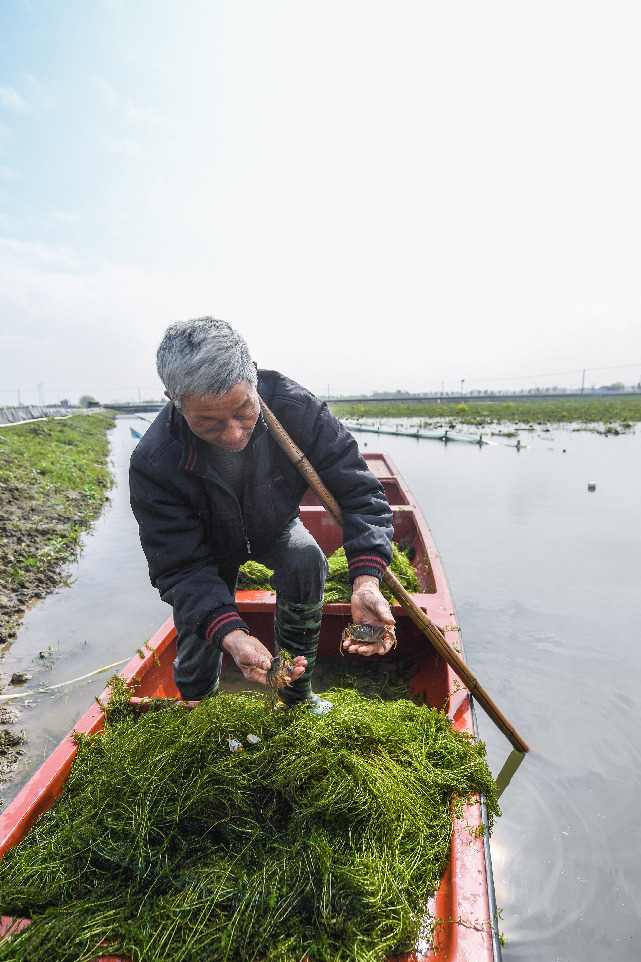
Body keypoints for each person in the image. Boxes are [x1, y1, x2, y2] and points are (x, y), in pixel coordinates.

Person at [129, 317, 395, 715]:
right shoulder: (155, 460)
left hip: (274, 524)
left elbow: (361, 494)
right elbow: (180, 568)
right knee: (199, 619)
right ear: (173, 399)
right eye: (208, 422)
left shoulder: (294, 408)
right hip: (206, 549)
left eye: (243, 411)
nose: (234, 433)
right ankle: (198, 706)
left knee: (307, 560)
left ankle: (296, 693)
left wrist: (367, 582)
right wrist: (233, 635)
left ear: (253, 375)